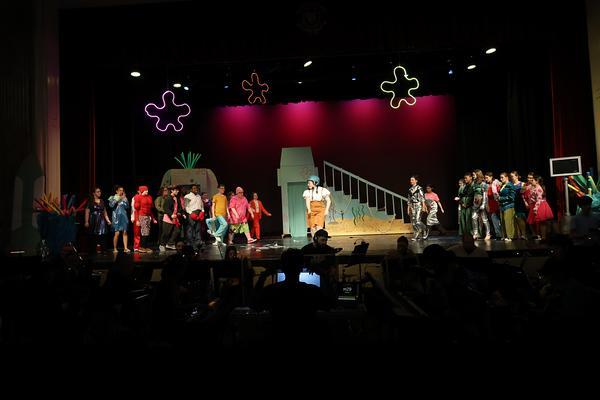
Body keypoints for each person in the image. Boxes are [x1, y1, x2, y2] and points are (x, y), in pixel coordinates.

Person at [525, 175, 554, 240]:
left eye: (532, 180)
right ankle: (538, 235)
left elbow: (539, 199)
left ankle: (543, 236)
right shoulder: (533, 187)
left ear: (537, 181)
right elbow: (526, 191)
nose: (531, 181)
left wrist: (536, 208)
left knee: (541, 222)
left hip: (540, 205)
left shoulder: (539, 189)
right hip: (534, 205)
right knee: (533, 222)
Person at [84, 187, 111, 253]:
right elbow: (87, 212)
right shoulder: (90, 201)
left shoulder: (102, 201)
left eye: (100, 191)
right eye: (98, 192)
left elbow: (105, 212)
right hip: (93, 220)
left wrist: (108, 220)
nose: (99, 193)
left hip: (101, 220)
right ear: (94, 193)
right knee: (94, 235)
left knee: (103, 234)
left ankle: (104, 249)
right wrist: (86, 221)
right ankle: (93, 250)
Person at [131, 185, 156, 253]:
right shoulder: (137, 197)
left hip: (147, 216)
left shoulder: (149, 197)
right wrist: (137, 220)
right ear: (141, 191)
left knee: (147, 232)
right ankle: (141, 247)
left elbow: (150, 209)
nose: (147, 191)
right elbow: (136, 210)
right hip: (141, 216)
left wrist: (153, 218)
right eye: (145, 190)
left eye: (147, 190)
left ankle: (145, 246)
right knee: (143, 232)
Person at [108, 185, 130, 253]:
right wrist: (118, 198)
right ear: (116, 191)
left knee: (125, 232)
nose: (121, 191)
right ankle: (115, 248)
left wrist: (125, 199)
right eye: (120, 190)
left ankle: (125, 248)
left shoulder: (124, 198)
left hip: (124, 217)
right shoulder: (112, 197)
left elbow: (127, 207)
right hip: (116, 217)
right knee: (117, 233)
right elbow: (111, 205)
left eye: (122, 190)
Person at [159, 186, 181, 252]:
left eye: (178, 190)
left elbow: (178, 207)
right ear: (172, 191)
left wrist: (179, 212)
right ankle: (162, 245)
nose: (177, 191)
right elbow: (166, 208)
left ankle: (170, 244)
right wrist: (171, 214)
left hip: (174, 217)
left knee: (177, 231)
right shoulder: (168, 198)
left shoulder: (176, 198)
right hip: (168, 217)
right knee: (166, 233)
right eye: (176, 190)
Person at [472, 170, 491, 240]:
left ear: (478, 175)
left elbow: (485, 195)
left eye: (474, 175)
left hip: (482, 202)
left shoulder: (483, 184)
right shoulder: (474, 183)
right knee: (474, 217)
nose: (473, 176)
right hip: (475, 203)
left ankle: (488, 234)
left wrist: (483, 204)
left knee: (484, 219)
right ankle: (476, 233)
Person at [184, 184, 204, 251]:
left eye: (196, 188)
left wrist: (202, 211)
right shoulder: (187, 196)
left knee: (198, 228)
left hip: (199, 213)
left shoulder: (199, 196)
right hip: (192, 213)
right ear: (191, 189)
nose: (196, 189)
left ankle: (198, 242)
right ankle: (190, 243)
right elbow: (186, 206)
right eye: (194, 188)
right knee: (191, 229)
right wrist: (191, 213)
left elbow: (202, 205)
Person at [407, 175, 427, 240]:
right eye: (410, 180)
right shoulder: (410, 189)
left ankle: (425, 229)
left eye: (412, 180)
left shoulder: (419, 188)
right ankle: (417, 233)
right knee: (413, 221)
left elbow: (422, 197)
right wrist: (408, 208)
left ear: (416, 181)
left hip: (419, 205)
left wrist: (423, 206)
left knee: (418, 221)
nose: (411, 181)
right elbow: (409, 199)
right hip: (413, 206)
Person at [498, 172, 516, 241]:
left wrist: (501, 198)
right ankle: (505, 235)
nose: (501, 179)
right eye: (500, 177)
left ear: (507, 177)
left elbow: (512, 197)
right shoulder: (503, 185)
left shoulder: (510, 185)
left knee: (508, 221)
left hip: (508, 205)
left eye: (502, 177)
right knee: (503, 221)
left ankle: (510, 236)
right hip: (502, 206)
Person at [484, 172, 502, 239]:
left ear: (491, 177)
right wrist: (487, 205)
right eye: (485, 178)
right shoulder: (487, 185)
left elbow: (499, 193)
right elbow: (486, 197)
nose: (486, 179)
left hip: (497, 204)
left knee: (500, 220)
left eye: (487, 178)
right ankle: (498, 235)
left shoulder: (496, 183)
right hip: (491, 205)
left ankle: (502, 234)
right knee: (494, 221)